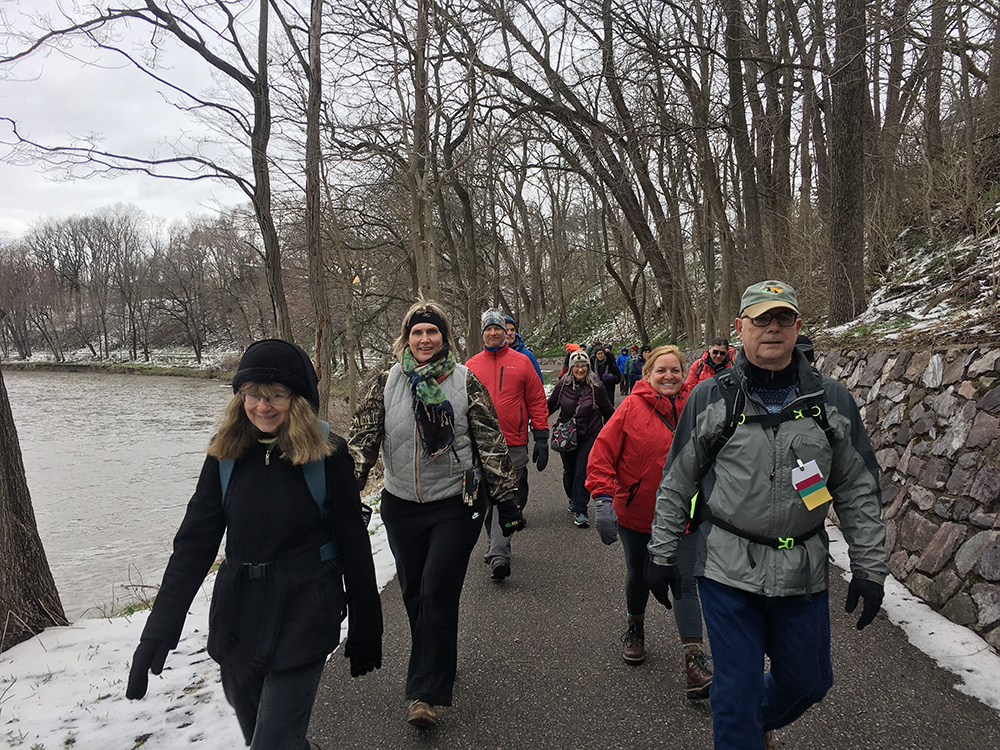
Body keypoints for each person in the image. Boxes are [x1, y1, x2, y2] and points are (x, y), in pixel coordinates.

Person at [648, 280, 887, 749]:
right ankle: (738, 722)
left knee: (809, 682)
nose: (772, 328)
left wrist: (870, 569)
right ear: (740, 329)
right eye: (761, 319)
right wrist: (662, 553)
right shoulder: (711, 398)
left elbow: (857, 489)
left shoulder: (831, 401)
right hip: (726, 571)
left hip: (803, 570)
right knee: (735, 702)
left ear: (798, 327)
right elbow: (677, 481)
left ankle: (745, 719)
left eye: (782, 319)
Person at [126, 339, 382, 750]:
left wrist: (368, 626)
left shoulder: (328, 455)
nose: (263, 406)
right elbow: (193, 545)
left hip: (305, 614)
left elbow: (354, 545)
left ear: (298, 399)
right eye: (253, 394)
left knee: (273, 743)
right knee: (263, 736)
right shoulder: (225, 454)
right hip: (238, 620)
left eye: (277, 394)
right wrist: (159, 631)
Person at [347, 300, 521, 729]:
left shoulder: (466, 381)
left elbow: (490, 441)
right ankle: (440, 657)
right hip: (401, 504)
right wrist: (345, 493)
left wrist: (506, 501)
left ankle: (423, 692)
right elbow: (362, 440)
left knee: (436, 590)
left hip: (456, 504)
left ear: (445, 338)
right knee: (414, 594)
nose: (425, 339)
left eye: (433, 332)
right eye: (417, 333)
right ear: (406, 339)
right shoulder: (386, 383)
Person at [585, 345, 712, 699]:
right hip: (637, 514)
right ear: (648, 374)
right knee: (639, 572)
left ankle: (694, 659)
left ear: (684, 373)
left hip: (686, 515)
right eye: (661, 371)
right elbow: (602, 454)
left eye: (675, 370)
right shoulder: (629, 408)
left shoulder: (698, 407)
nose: (668, 376)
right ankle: (635, 627)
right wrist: (604, 499)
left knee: (685, 580)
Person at [468, 309, 549, 581]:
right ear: (482, 333)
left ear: (506, 332)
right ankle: (497, 546)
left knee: (506, 497)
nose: (493, 332)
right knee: (487, 499)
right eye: (488, 329)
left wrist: (541, 436)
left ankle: (499, 552)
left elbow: (537, 400)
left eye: (498, 328)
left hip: (513, 441)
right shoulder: (470, 366)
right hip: (479, 444)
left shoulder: (522, 362)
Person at [548, 348, 614, 528]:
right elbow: (551, 405)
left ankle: (580, 510)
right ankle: (572, 498)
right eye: (576, 366)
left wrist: (618, 431)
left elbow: (608, 411)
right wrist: (535, 422)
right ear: (571, 368)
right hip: (567, 435)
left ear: (588, 367)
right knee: (569, 472)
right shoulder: (563, 385)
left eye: (583, 366)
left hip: (589, 435)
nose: (580, 369)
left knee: (582, 471)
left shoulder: (597, 387)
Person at [505, 314, 544, 384]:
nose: (510, 333)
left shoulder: (528, 355)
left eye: (512, 330)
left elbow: (538, 383)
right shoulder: (494, 355)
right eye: (506, 330)